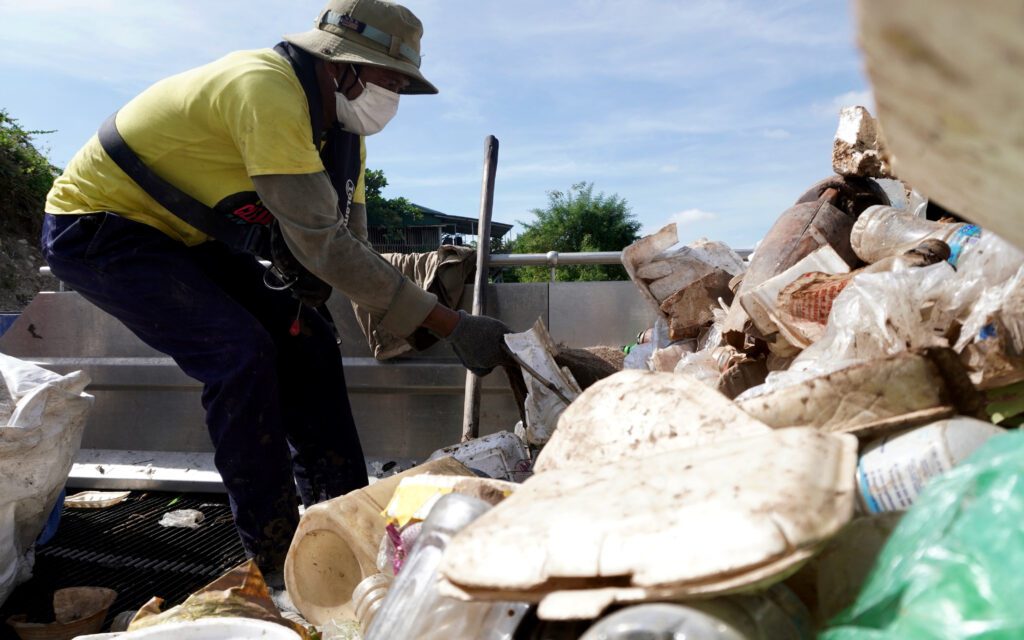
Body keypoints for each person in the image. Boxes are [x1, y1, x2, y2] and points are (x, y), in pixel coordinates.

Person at [40, 0, 513, 586]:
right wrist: (452, 325)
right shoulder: (264, 88)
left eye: (401, 83)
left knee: (310, 338)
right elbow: (326, 246)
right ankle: (277, 557)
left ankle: (343, 524)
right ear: (341, 65)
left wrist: (334, 291)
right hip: (100, 226)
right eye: (388, 78)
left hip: (188, 238)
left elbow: (347, 246)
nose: (391, 96)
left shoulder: (343, 138)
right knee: (238, 353)